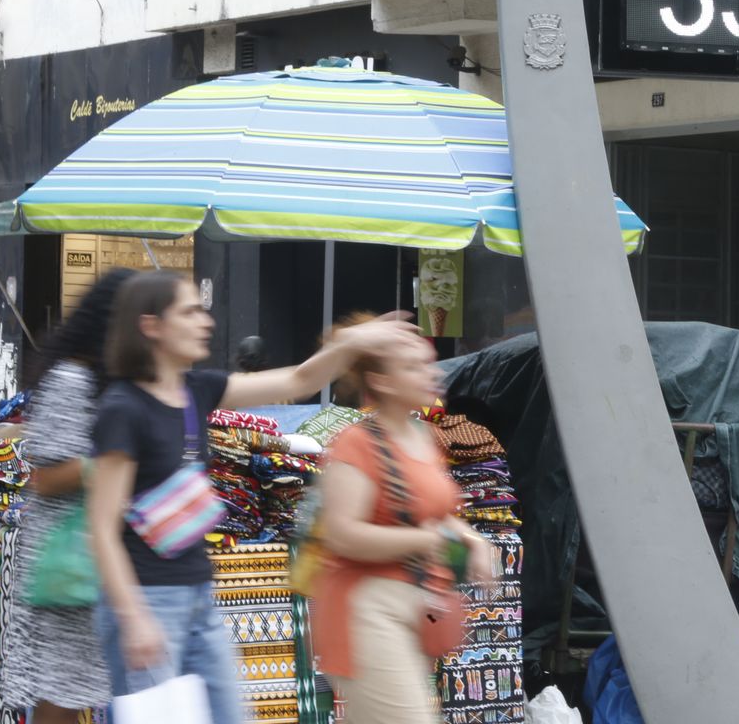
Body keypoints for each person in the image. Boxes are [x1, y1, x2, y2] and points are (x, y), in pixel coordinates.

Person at [87, 271, 423, 724]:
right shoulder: (122, 410)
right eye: (189, 311)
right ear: (151, 326)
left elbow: (298, 381)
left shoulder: (196, 390)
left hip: (197, 594)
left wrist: (352, 342)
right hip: (147, 599)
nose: (204, 322)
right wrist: (133, 617)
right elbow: (102, 529)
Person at [311, 321, 496, 724]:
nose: (434, 374)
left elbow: (436, 512)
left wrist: (473, 540)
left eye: (429, 364)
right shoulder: (356, 443)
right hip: (367, 609)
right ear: (382, 381)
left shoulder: (423, 435)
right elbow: (342, 534)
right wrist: (420, 540)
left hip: (412, 604)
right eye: (414, 367)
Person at [0, 268, 135, 724]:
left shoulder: (106, 379)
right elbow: (46, 476)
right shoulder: (72, 379)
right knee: (64, 688)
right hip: (67, 550)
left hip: (89, 548)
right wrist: (117, 465)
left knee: (78, 685)